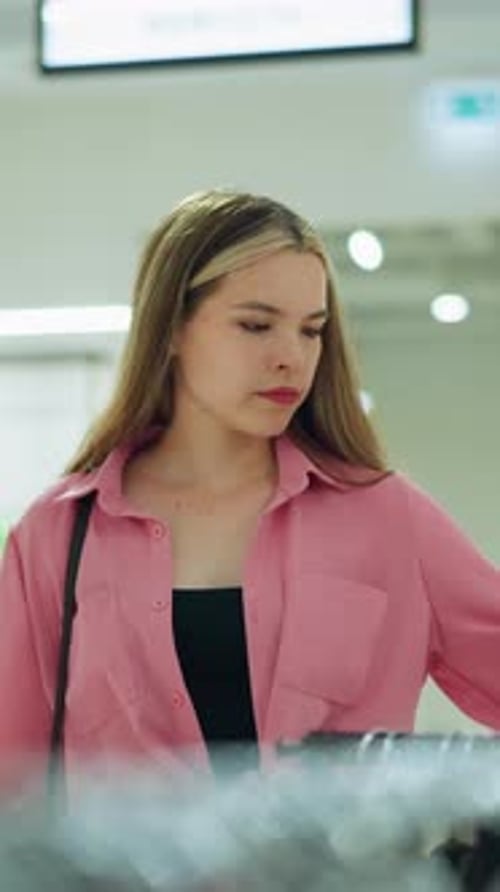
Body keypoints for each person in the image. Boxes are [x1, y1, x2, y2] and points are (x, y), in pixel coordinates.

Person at [0, 188, 499, 790]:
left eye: (311, 331)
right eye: (256, 325)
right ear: (172, 330)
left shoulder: (388, 517)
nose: (291, 357)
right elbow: (14, 785)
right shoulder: (55, 535)